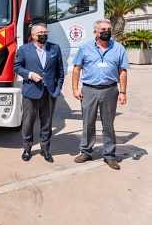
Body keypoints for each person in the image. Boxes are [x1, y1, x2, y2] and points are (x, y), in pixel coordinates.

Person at [72, 19, 129, 170]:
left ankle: (109, 155)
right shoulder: (85, 48)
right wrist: (75, 89)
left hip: (110, 90)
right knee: (88, 123)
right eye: (103, 29)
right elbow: (77, 68)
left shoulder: (118, 48)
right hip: (89, 90)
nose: (107, 31)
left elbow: (122, 71)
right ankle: (86, 152)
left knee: (108, 124)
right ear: (95, 32)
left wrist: (122, 92)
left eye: (109, 29)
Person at [14, 23, 64, 162]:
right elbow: (17, 67)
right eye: (41, 32)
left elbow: (60, 71)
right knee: (28, 121)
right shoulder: (24, 49)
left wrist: (58, 87)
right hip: (31, 91)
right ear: (33, 35)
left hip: (49, 92)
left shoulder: (54, 48)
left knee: (47, 122)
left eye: (45, 32)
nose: (44, 34)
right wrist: (30, 74)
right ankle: (27, 149)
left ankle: (45, 149)